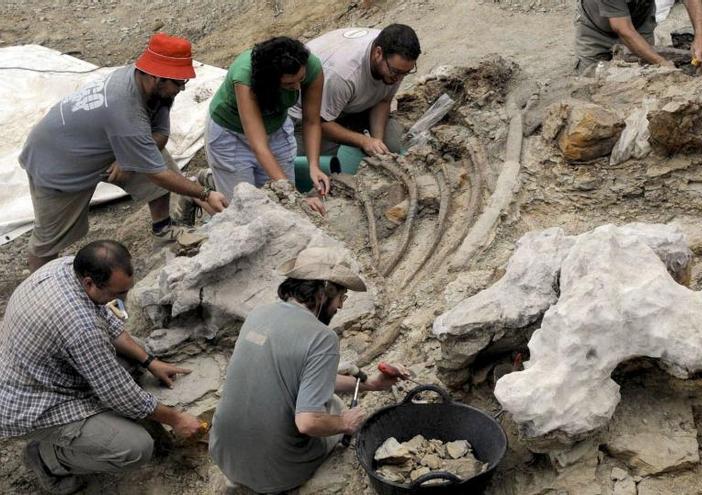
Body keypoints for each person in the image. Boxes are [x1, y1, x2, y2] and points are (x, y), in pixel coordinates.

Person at [0, 240, 203, 495]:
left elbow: (106, 321)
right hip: (33, 404)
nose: (123, 300)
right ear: (89, 283)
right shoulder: (80, 327)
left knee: (135, 352)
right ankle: (47, 458)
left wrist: (150, 362)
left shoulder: (66, 267)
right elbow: (120, 395)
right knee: (135, 448)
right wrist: (176, 419)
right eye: (118, 294)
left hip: (38, 370)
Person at [18, 33, 228, 273]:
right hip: (58, 162)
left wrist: (127, 160)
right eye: (178, 83)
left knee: (158, 158)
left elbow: (160, 134)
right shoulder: (124, 107)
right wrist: (204, 193)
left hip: (103, 145)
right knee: (48, 240)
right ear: (156, 78)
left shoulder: (155, 91)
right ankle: (40, 287)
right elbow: (157, 174)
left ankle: (164, 230)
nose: (182, 89)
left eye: (184, 82)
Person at [210, 247, 406, 493]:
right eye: (342, 297)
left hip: (223, 453)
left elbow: (301, 378)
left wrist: (373, 385)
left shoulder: (258, 314)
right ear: (324, 292)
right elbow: (308, 423)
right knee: (332, 407)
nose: (341, 307)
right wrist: (344, 423)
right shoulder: (322, 337)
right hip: (275, 472)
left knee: (317, 400)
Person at [206, 36, 329, 213]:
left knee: (283, 203)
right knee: (244, 208)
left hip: (276, 129)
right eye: (288, 83)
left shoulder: (310, 67)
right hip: (231, 134)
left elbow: (311, 121)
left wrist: (314, 166)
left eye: (300, 79)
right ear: (270, 80)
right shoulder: (246, 77)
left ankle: (215, 179)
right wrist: (297, 197)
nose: (296, 87)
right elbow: (259, 146)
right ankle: (203, 190)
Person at [290, 24, 421, 157]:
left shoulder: (394, 61)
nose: (399, 78)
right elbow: (317, 122)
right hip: (307, 116)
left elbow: (383, 100)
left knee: (397, 142)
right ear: (378, 53)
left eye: (406, 72)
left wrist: (377, 142)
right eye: (396, 72)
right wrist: (364, 141)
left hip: (348, 105)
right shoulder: (343, 74)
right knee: (329, 161)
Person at [574, 0, 702, 75]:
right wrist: (662, 63)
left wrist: (701, 38)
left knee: (645, 73)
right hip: (596, 32)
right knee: (592, 79)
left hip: (639, 23)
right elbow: (623, 28)